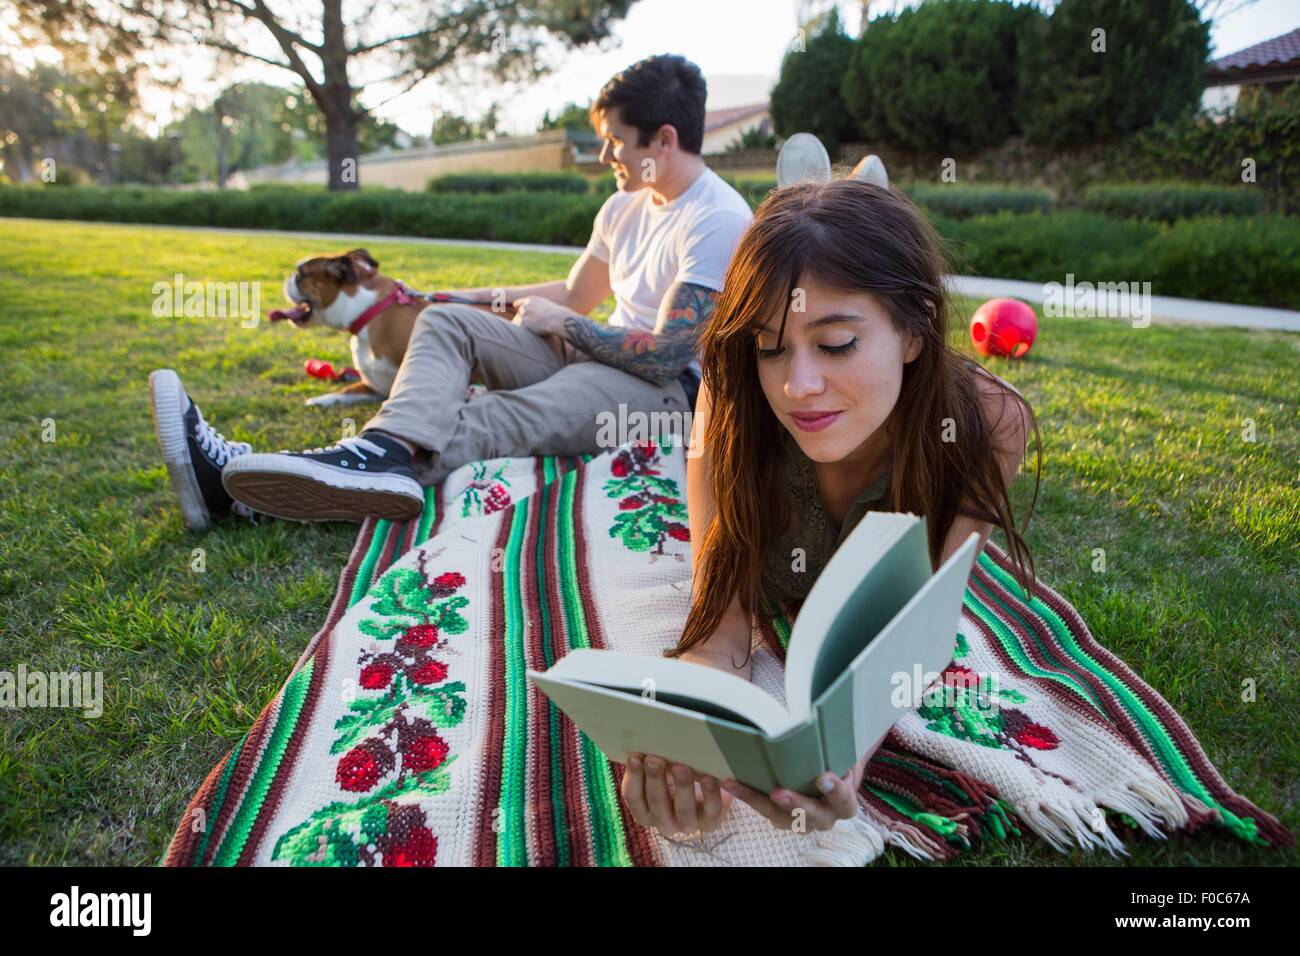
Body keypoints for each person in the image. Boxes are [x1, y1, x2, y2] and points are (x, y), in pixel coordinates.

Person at [150, 54, 752, 529]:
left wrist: (564, 326)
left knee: (488, 416)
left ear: (664, 140)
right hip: (590, 349)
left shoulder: (718, 218)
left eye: (616, 141)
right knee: (442, 326)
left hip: (664, 391)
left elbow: (671, 352)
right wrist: (457, 299)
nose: (603, 155)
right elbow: (572, 293)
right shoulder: (626, 204)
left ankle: (251, 485)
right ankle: (381, 451)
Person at [618, 177, 1041, 839]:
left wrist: (847, 753)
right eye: (770, 345)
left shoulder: (989, 423)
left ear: (914, 329)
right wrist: (693, 735)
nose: (798, 387)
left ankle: (850, 176)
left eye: (837, 342)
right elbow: (719, 621)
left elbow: (921, 625)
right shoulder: (730, 399)